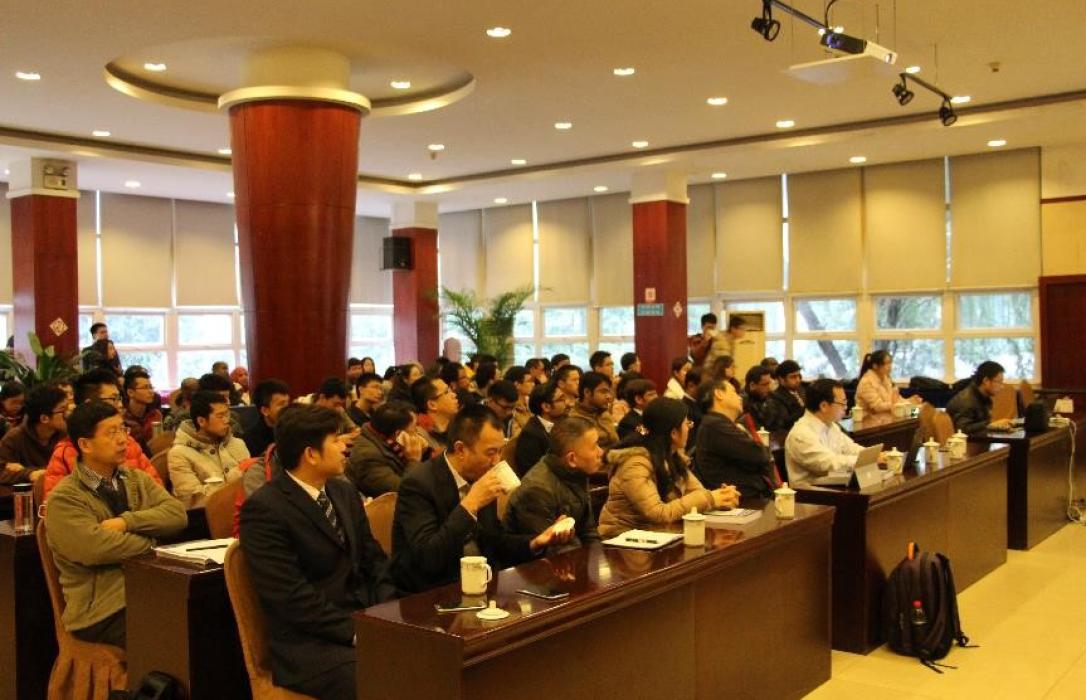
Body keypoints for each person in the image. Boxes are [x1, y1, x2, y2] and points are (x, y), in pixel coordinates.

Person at [240, 404, 397, 699]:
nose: (344, 447)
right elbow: (290, 596)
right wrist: (355, 631)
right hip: (310, 644)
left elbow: (374, 559)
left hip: (365, 619)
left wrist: (387, 614)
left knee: (433, 657)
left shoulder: (343, 491)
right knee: (387, 678)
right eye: (335, 440)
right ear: (311, 454)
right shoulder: (265, 509)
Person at [44, 400, 186, 649]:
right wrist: (154, 540)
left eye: (123, 429)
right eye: (111, 433)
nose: (123, 439)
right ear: (85, 445)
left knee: (206, 616)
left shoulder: (136, 479)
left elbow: (177, 515)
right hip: (101, 610)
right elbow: (95, 548)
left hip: (147, 589)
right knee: (172, 633)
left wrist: (126, 522)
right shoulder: (65, 498)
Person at [390, 404, 572, 593]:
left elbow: (494, 542)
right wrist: (471, 504)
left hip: (483, 584)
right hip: (432, 592)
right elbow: (429, 558)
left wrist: (536, 542)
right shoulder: (418, 484)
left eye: (500, 451)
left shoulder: (480, 474)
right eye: (491, 453)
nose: (497, 462)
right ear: (461, 449)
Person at [599, 398, 739, 538]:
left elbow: (697, 492)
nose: (689, 428)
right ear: (673, 433)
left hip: (656, 534)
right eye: (687, 424)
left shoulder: (671, 456)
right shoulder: (635, 464)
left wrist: (721, 498)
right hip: (622, 538)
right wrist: (710, 498)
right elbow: (659, 514)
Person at [44, 370, 165, 499]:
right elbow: (54, 506)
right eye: (113, 399)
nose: (120, 405)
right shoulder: (65, 452)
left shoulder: (128, 441)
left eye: (119, 398)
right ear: (89, 404)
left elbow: (159, 494)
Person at [504, 416, 602, 550]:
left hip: (571, 553)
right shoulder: (537, 490)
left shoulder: (577, 473)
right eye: (594, 447)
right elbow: (549, 548)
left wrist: (600, 555)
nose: (600, 452)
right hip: (539, 561)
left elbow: (588, 531)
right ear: (572, 459)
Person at [693, 377, 777, 500]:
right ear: (719, 394)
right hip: (742, 500)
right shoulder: (716, 425)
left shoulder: (718, 423)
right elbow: (760, 455)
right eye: (733, 392)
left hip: (748, 496)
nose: (740, 397)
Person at [784, 378, 872, 485]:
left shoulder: (831, 425)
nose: (846, 407)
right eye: (843, 403)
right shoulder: (801, 434)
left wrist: (873, 455)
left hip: (833, 485)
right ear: (824, 406)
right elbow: (829, 464)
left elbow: (850, 448)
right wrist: (865, 460)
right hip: (811, 492)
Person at [168, 390, 250, 498]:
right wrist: (233, 479)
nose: (227, 420)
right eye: (220, 416)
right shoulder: (178, 454)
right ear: (201, 421)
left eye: (227, 414)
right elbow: (192, 498)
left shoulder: (237, 443)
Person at [346, 401, 426, 498]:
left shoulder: (382, 435)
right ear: (398, 433)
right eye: (414, 429)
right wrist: (413, 460)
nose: (417, 433)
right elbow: (403, 490)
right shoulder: (368, 457)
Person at [0, 382, 69, 483]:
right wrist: (29, 474)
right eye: (63, 410)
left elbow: (76, 470)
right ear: (44, 418)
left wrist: (25, 470)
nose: (68, 414)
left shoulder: (67, 435)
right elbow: (2, 472)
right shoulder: (14, 438)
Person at [514, 382, 569, 477]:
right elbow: (532, 473)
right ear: (546, 407)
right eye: (561, 399)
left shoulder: (563, 422)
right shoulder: (530, 435)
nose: (567, 403)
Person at [947, 361, 1015, 435]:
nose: (1002, 387)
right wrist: (991, 425)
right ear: (986, 381)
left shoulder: (983, 396)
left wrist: (995, 425)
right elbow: (962, 430)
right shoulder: (965, 401)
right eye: (999, 382)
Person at [855, 350, 922, 415]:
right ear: (875, 366)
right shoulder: (866, 382)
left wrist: (910, 401)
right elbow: (878, 407)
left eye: (890, 363)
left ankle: (916, 417)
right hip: (869, 419)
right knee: (911, 414)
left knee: (918, 411)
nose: (890, 366)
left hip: (887, 416)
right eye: (886, 363)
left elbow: (896, 399)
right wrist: (904, 403)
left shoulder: (886, 378)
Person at [569, 371, 620, 450]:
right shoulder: (574, 420)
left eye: (608, 392)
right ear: (587, 392)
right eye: (603, 392)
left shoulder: (603, 413)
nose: (608, 396)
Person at [244, 379, 290, 458]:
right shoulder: (250, 440)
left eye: (288, 402)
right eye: (281, 404)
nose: (288, 408)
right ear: (265, 411)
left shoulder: (294, 429)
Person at [411, 376, 459, 452]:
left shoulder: (458, 425)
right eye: (447, 392)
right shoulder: (421, 440)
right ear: (432, 405)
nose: (454, 395)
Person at [121, 369, 162, 456]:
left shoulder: (156, 415)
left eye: (151, 387)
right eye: (145, 387)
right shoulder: (121, 417)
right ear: (130, 392)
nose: (151, 391)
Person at [743, 365, 784, 431]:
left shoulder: (771, 397)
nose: (769, 388)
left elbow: (780, 424)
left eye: (769, 383)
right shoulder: (744, 403)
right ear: (752, 385)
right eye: (765, 384)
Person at [768, 359, 806, 431]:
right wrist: (807, 409)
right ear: (781, 379)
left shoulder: (802, 390)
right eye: (793, 377)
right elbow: (785, 423)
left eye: (799, 376)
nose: (798, 380)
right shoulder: (775, 397)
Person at [503, 366, 535, 437]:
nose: (533, 384)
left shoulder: (530, 402)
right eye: (529, 381)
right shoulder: (509, 408)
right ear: (517, 384)